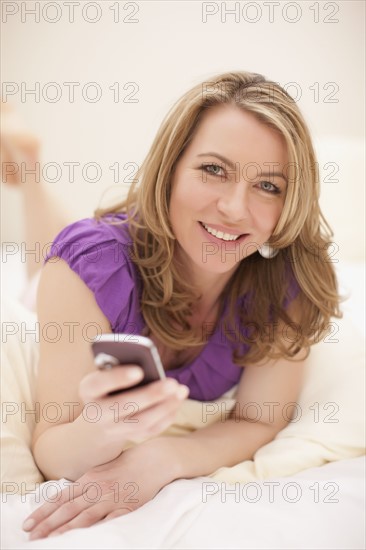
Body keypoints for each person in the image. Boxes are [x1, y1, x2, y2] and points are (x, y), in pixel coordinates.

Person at [3, 71, 342, 539]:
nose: (234, 209)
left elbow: (259, 418)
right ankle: (30, 168)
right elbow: (52, 449)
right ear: (171, 168)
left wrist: (161, 458)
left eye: (268, 185)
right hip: (70, 287)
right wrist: (102, 426)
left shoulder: (288, 283)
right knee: (45, 266)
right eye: (213, 169)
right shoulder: (86, 267)